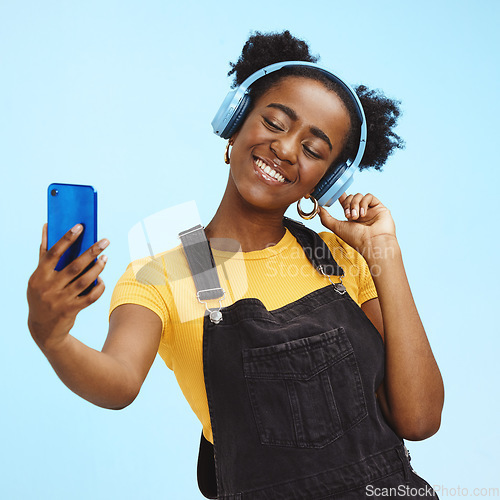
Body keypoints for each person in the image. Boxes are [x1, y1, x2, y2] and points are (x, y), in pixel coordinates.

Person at [27, 31, 444, 499]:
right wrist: (53, 337)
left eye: (313, 150)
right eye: (274, 123)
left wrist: (387, 253)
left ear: (324, 182)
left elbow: (420, 418)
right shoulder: (160, 276)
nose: (286, 150)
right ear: (235, 121)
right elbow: (119, 383)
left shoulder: (344, 258)